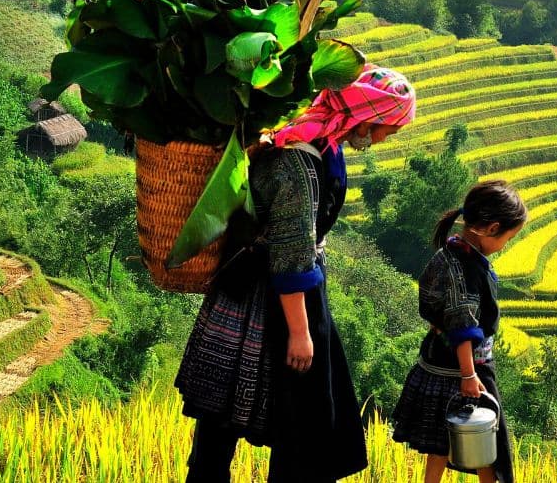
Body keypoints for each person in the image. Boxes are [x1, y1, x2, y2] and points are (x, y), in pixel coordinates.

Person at [174, 65, 416, 482]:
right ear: (365, 118)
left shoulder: (319, 142)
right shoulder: (297, 163)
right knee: (273, 425)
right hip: (267, 300)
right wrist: (301, 334)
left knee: (230, 423)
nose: (384, 139)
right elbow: (290, 254)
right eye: (386, 128)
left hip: (261, 290)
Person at [391, 181, 528, 483]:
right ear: (492, 228)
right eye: (508, 237)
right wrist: (469, 375)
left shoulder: (448, 253)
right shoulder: (463, 266)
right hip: (466, 369)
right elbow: (461, 325)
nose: (506, 244)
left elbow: (435, 308)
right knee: (490, 448)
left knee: (440, 443)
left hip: (436, 360)